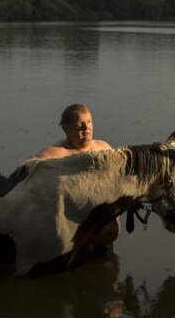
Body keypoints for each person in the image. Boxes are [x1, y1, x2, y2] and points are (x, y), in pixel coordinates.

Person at [24, 104, 120, 247]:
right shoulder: (56, 153)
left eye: (89, 122)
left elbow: (122, 179)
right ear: (66, 128)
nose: (86, 129)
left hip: (106, 229)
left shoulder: (104, 148)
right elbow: (27, 171)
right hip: (74, 234)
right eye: (79, 125)